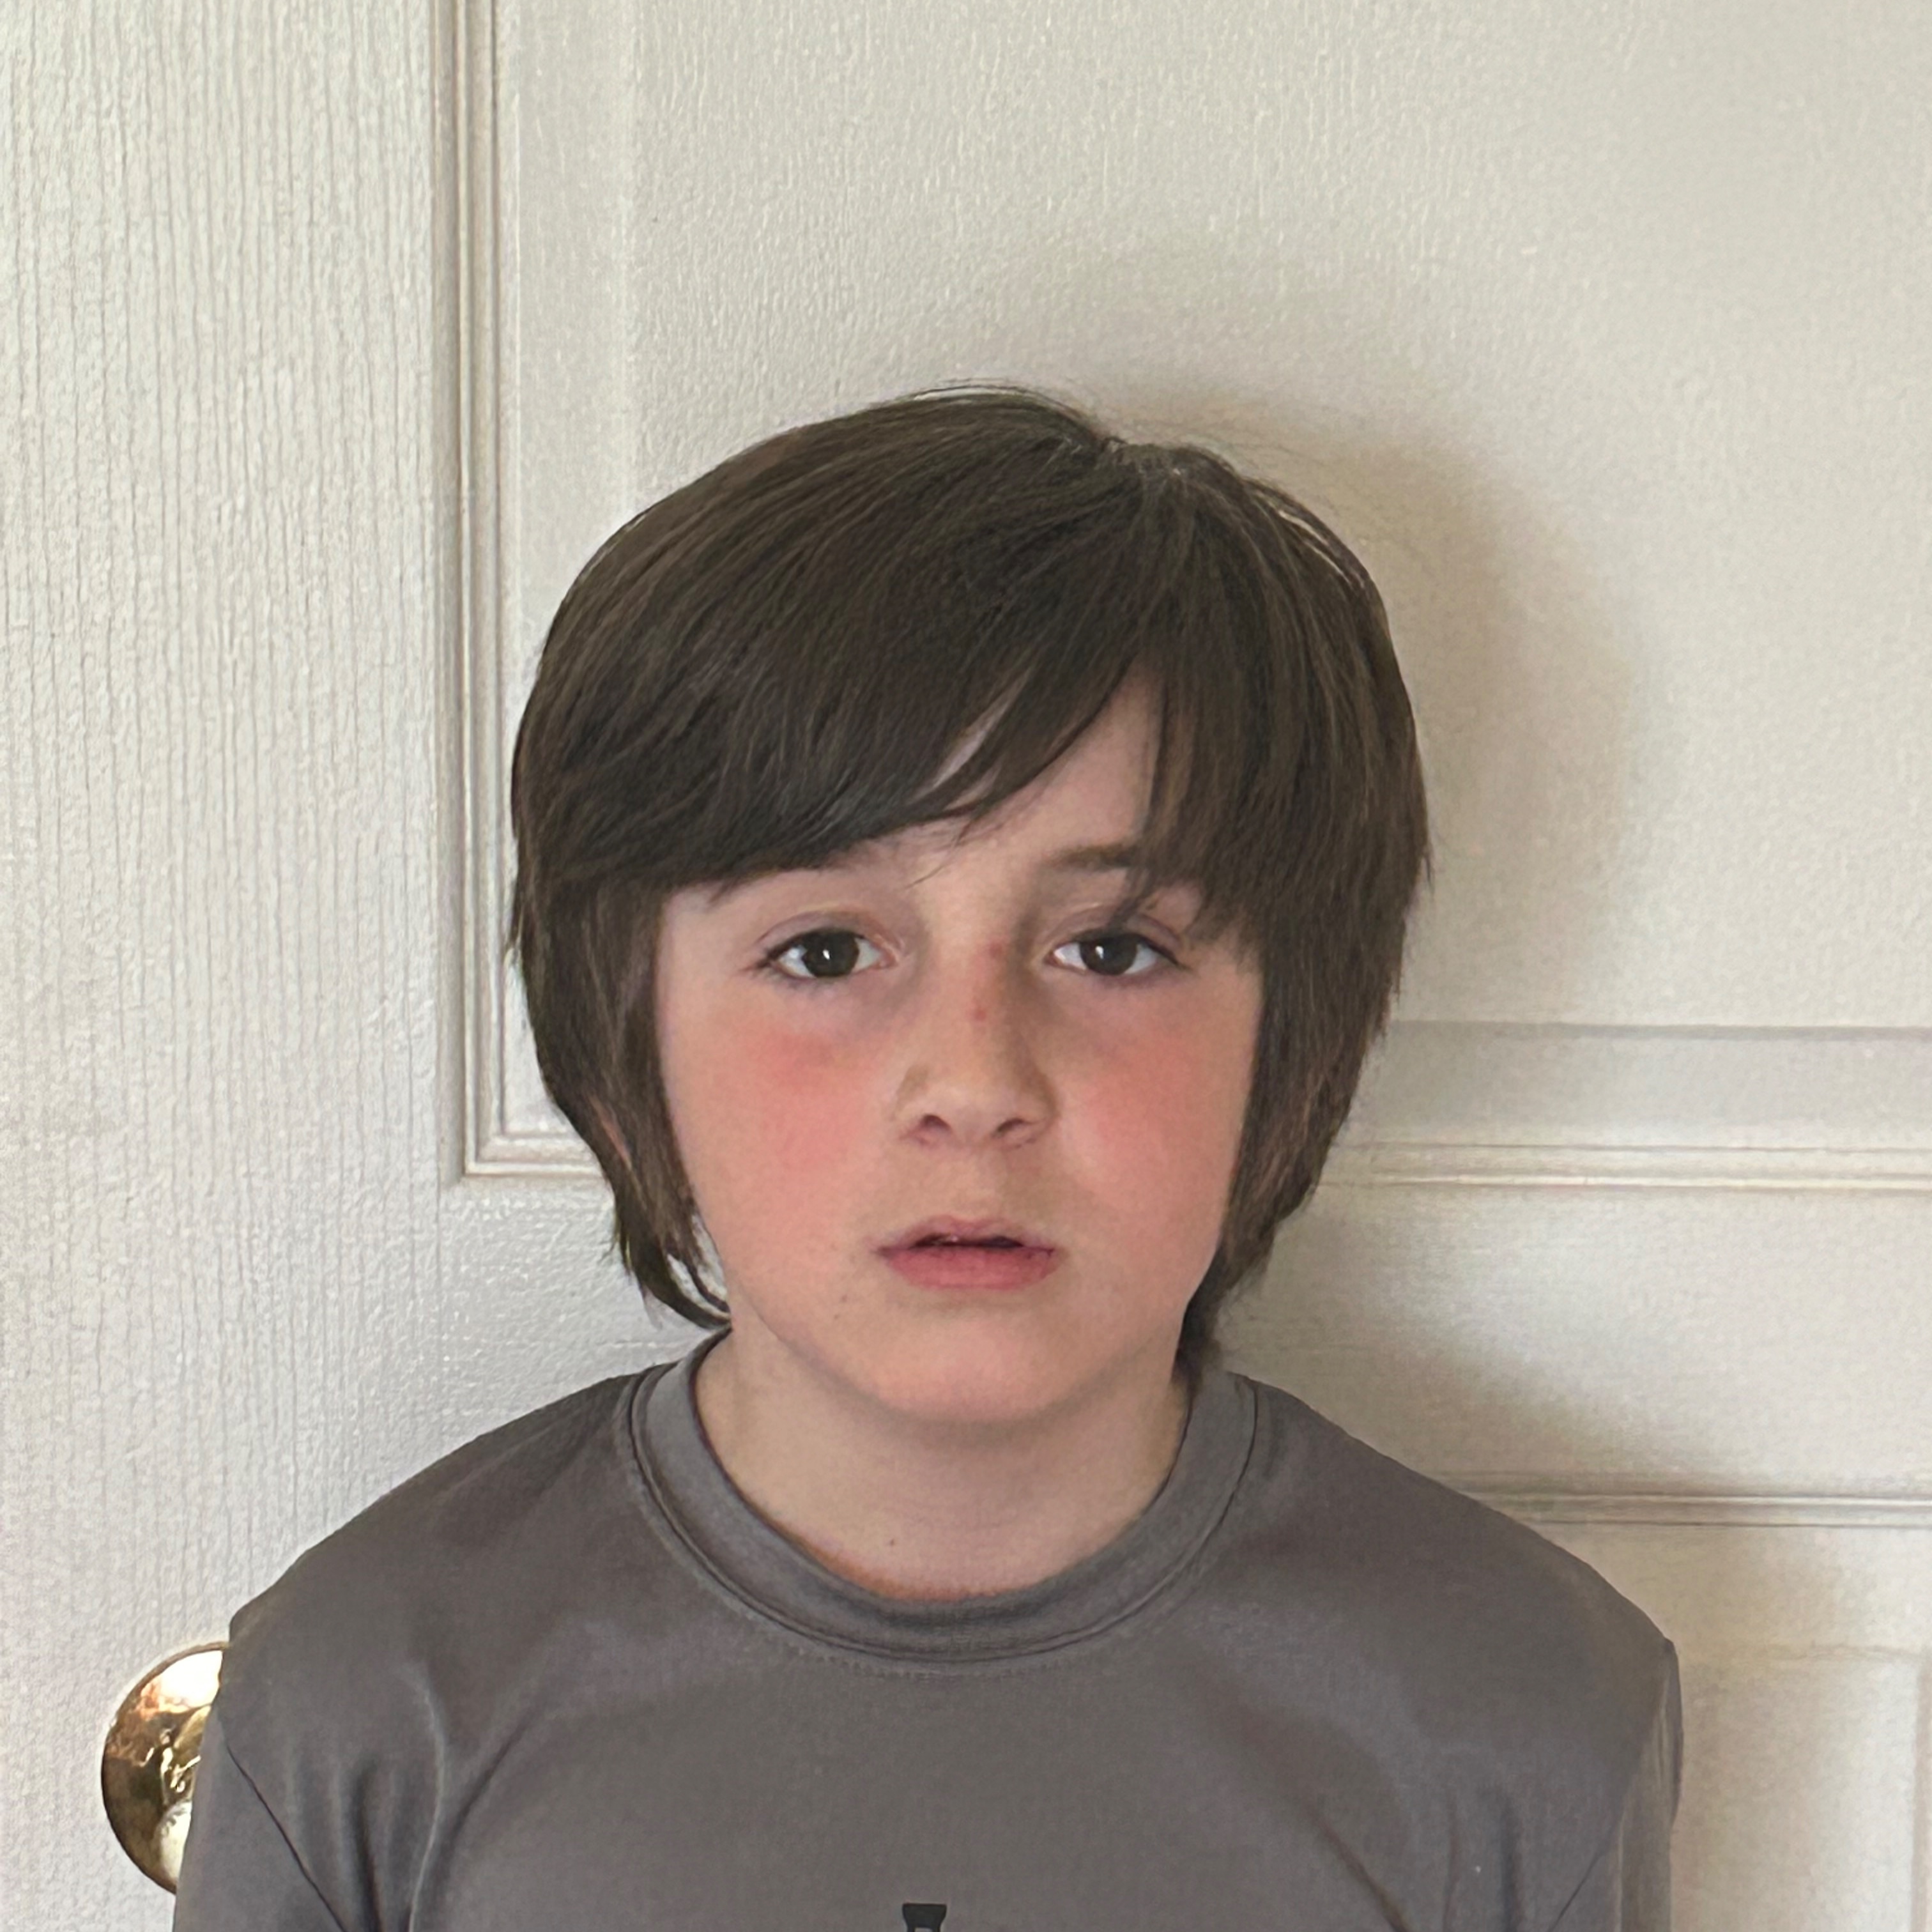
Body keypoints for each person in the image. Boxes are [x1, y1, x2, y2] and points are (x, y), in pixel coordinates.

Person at [173, 385, 1681, 1930]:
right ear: (630, 1040)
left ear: (1285, 1043)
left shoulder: (1521, 1713)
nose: (975, 1084)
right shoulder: (366, 1702)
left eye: (1112, 948)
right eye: (826, 952)